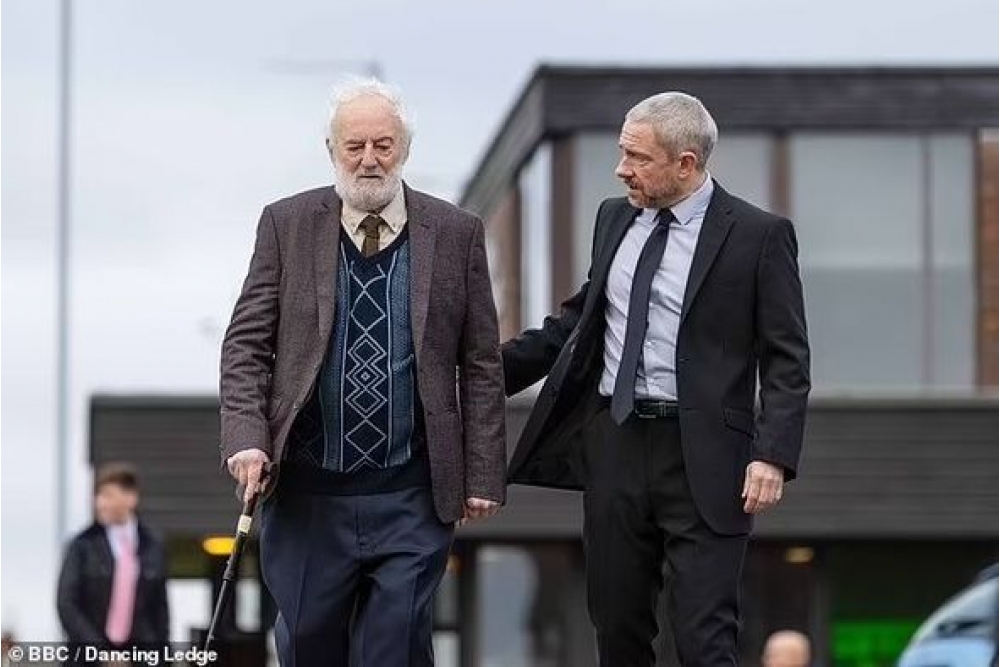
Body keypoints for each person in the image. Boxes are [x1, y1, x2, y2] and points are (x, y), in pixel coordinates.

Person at [502, 91, 811, 666]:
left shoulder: (758, 236)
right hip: (615, 443)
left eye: (638, 157)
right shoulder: (614, 218)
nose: (622, 169)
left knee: (702, 639)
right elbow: (576, 323)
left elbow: (787, 357)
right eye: (622, 152)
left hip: (707, 459)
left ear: (686, 163)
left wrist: (772, 454)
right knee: (617, 629)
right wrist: (480, 375)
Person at [219, 78, 506, 666]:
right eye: (355, 146)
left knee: (393, 647)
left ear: (405, 148)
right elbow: (246, 345)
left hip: (412, 491)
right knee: (307, 644)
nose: (369, 159)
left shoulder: (456, 233)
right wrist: (247, 439)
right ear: (332, 150)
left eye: (383, 144)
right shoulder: (286, 224)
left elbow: (480, 362)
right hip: (306, 494)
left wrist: (482, 472)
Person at [56, 463, 170, 652]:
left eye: (108, 495)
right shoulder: (82, 546)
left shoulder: (152, 547)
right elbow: (67, 604)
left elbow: (160, 611)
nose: (101, 503)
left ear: (131, 498)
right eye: (99, 496)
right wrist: (100, 650)